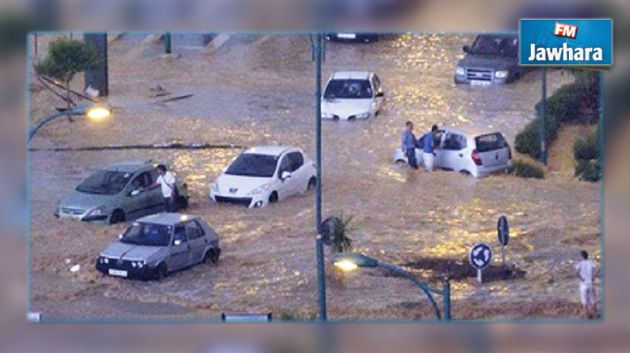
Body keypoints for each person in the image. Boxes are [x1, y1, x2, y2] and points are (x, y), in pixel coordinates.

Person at [575, 250, 597, 319]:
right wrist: (593, 276)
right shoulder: (591, 262)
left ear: (581, 256)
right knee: (592, 299)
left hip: (583, 284)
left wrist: (581, 278)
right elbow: (597, 269)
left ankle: (587, 315)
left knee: (584, 301)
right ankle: (594, 313)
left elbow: (576, 272)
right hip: (590, 282)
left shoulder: (579, 263)